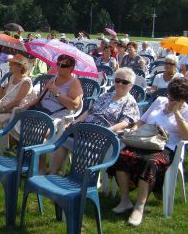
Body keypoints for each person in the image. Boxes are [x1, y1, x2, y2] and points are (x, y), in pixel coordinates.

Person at [108, 77, 188, 226]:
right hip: (144, 140)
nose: (170, 100)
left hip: (166, 147)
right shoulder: (159, 101)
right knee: (123, 155)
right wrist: (132, 130)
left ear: (183, 100)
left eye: (175, 99)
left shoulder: (186, 111)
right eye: (170, 96)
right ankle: (125, 200)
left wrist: (176, 113)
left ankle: (139, 206)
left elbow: (186, 136)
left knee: (149, 162)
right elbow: (142, 121)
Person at [50, 67, 140, 174]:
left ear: (131, 85)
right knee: (65, 138)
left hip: (104, 134)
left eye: (124, 82)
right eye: (117, 80)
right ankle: (52, 173)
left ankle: (82, 178)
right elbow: (89, 111)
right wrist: (76, 121)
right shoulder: (105, 95)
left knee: (85, 145)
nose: (120, 84)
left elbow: (125, 123)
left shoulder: (130, 102)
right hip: (87, 128)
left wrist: (108, 130)